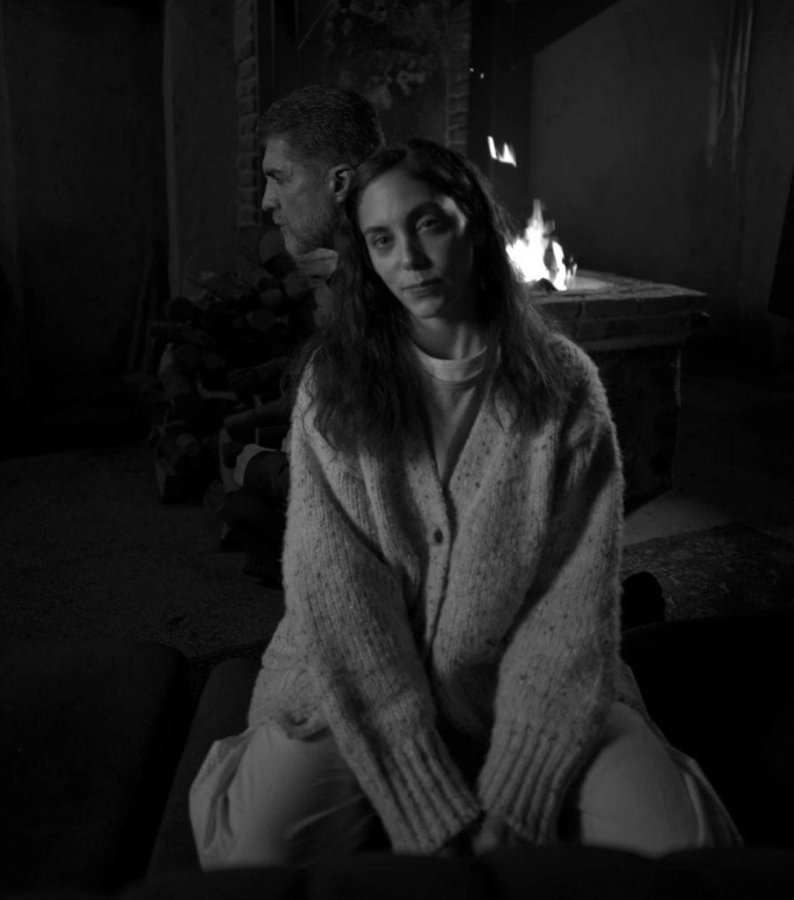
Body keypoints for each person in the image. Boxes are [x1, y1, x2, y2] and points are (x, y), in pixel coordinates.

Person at [191, 138, 740, 864]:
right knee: (252, 854)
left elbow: (571, 603)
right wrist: (416, 786)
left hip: (529, 676)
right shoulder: (335, 386)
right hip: (355, 674)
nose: (410, 260)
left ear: (475, 226)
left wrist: (520, 791)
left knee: (679, 850)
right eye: (382, 240)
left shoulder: (563, 385)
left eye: (429, 224)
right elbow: (339, 594)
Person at [223, 84, 385, 586]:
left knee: (244, 503)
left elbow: (369, 485)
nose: (267, 201)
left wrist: (259, 466)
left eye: (280, 177)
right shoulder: (350, 276)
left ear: (339, 182)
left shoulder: (382, 294)